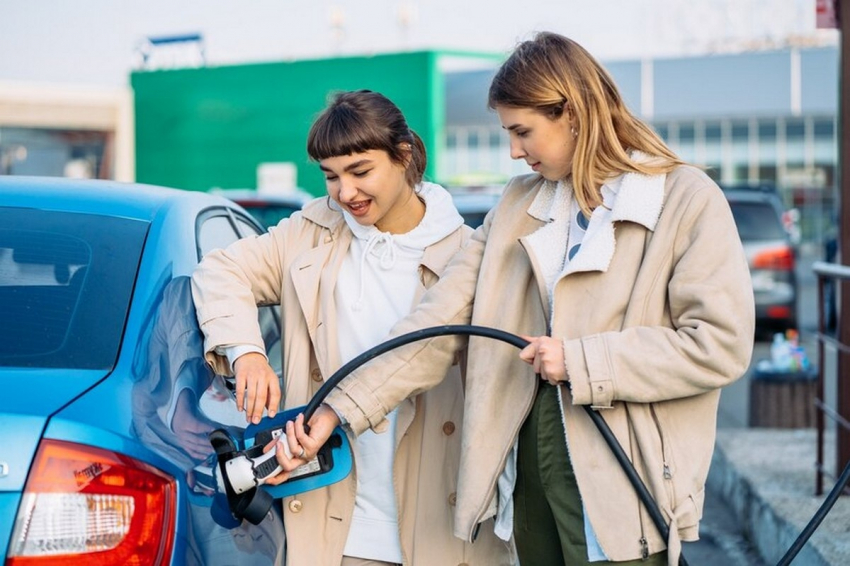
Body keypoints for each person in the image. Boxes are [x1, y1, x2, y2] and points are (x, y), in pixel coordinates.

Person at [278, 32, 756, 566]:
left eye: (522, 131)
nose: (513, 150)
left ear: (572, 113)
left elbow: (719, 344)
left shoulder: (685, 200)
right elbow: (436, 323)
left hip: (625, 480)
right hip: (528, 473)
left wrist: (581, 360)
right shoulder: (516, 207)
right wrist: (339, 409)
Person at [191, 89, 515, 566]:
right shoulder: (310, 232)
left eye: (361, 172)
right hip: (332, 526)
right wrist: (248, 352)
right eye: (331, 176)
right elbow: (220, 271)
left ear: (403, 156)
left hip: (440, 528)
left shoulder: (467, 253)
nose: (345, 193)